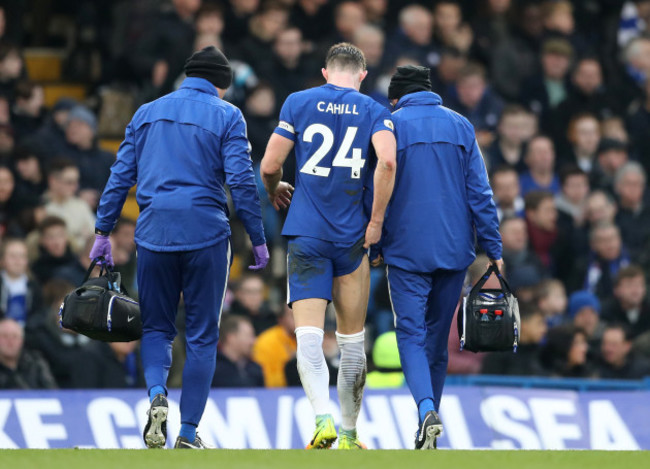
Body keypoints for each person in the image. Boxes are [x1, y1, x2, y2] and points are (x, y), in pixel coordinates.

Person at [90, 46, 268, 450]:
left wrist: (103, 231)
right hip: (206, 232)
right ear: (222, 85)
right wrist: (257, 238)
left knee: (156, 327)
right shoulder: (227, 114)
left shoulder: (146, 112)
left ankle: (156, 393)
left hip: (153, 232)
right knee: (203, 336)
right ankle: (188, 433)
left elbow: (120, 176)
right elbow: (241, 181)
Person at [260, 43, 396, 450]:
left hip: (306, 236)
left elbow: (269, 165)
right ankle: (351, 435)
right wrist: (376, 222)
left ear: (324, 72)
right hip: (352, 238)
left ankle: (322, 420)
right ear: (362, 75)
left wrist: (274, 187)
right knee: (353, 341)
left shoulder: (298, 102)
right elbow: (387, 163)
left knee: (308, 336)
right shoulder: (374, 110)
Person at [374, 65, 502, 450]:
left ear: (395, 98)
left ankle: (426, 409)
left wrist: (376, 243)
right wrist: (493, 248)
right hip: (454, 250)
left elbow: (375, 187)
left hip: (406, 249)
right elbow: (480, 192)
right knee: (437, 340)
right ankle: (428, 425)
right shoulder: (461, 125)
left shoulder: (389, 126)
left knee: (410, 334)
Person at [211, 315, 264, 388]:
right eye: (249, 336)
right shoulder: (212, 370)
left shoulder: (255, 369)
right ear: (231, 338)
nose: (253, 342)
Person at [252, 304, 297, 387]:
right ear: (281, 319)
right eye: (292, 315)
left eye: (301, 315)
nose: (299, 320)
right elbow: (264, 379)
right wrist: (291, 369)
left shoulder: (312, 339)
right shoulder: (266, 342)